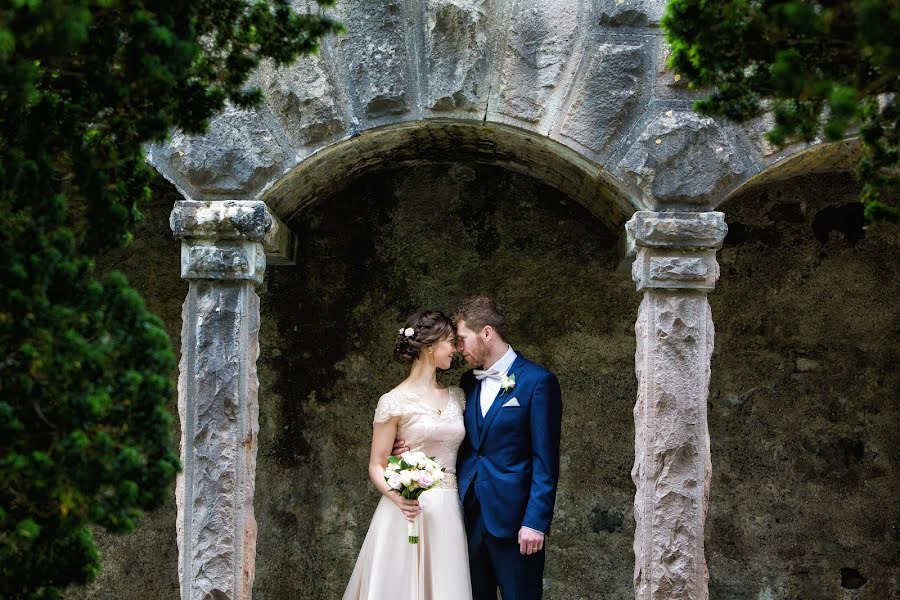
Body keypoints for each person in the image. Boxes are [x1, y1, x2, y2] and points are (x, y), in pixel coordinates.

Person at [395, 296, 563, 599]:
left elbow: (545, 461)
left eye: (462, 339)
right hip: (466, 519)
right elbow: (450, 439)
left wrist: (535, 523)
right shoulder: (466, 383)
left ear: (486, 333)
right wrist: (407, 453)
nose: (459, 349)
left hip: (516, 525)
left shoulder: (538, 382)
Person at [343, 310, 473, 600]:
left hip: (449, 509)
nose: (456, 350)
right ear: (430, 345)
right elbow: (377, 464)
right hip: (408, 510)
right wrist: (398, 497)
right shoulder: (393, 402)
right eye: (451, 342)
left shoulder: (457, 396)